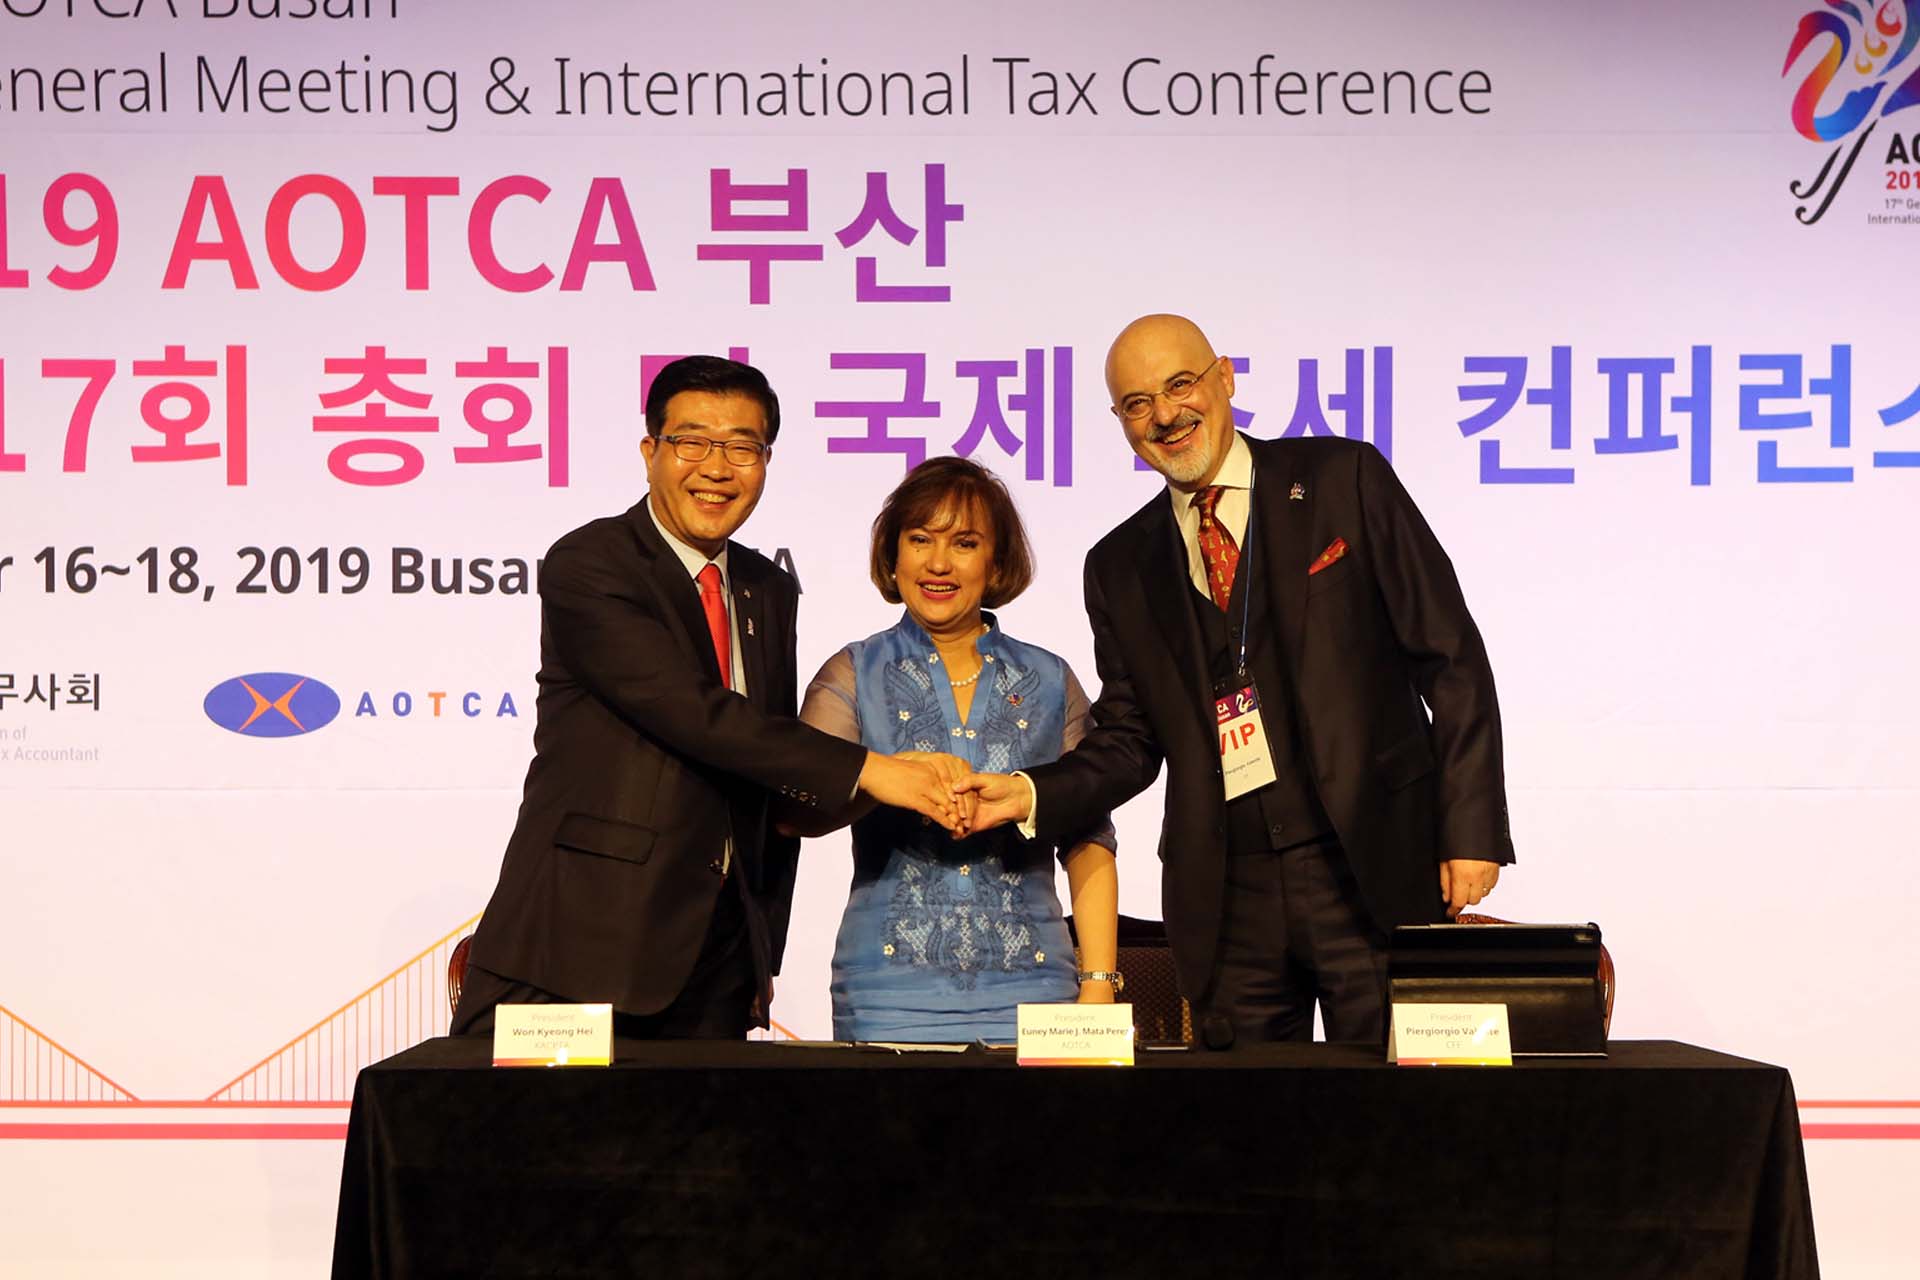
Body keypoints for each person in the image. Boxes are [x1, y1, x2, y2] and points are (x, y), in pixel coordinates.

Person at [959, 314, 1513, 1043]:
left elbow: (1451, 657)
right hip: (1229, 898)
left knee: (1392, 1105)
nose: (1165, 415)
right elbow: (1130, 738)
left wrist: (1470, 830)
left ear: (1223, 378)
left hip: (1371, 865)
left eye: (1180, 385)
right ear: (1121, 423)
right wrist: (1034, 792)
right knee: (1245, 1112)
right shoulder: (1119, 564)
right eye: (1137, 403)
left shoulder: (1343, 478)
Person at [454, 355, 965, 1040]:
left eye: (742, 448)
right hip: (584, 941)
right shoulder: (592, 563)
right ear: (651, 452)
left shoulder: (766, 587)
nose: (717, 469)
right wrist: (873, 770)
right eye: (692, 442)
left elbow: (765, 761)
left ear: (766, 461)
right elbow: (696, 715)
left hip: (721, 953)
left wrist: (888, 783)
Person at [785, 457, 1119, 1042]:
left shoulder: (1050, 679)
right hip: (886, 995)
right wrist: (885, 776)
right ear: (893, 556)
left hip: (1037, 994)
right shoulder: (853, 672)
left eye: (964, 543)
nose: (938, 563)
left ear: (997, 562)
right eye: (920, 539)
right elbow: (797, 811)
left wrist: (1097, 983)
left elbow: (1089, 837)